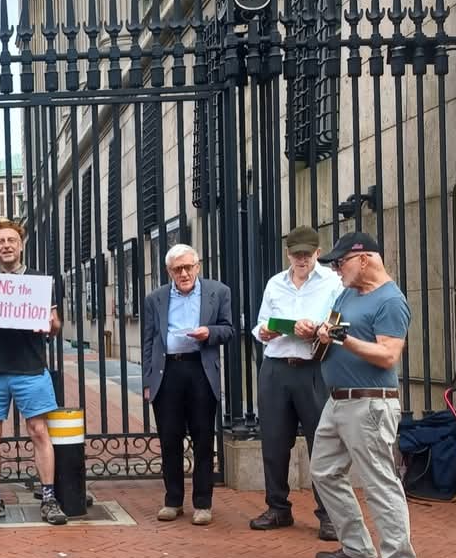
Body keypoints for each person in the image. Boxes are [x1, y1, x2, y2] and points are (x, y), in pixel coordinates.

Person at [311, 232, 417, 558]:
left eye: (341, 263)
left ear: (365, 259)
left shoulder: (390, 301)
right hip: (337, 401)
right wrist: (321, 333)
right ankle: (358, 550)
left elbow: (388, 356)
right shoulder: (347, 294)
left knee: (380, 484)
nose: (336, 269)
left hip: (371, 403)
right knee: (323, 471)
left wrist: (341, 338)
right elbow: (336, 331)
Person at [0, 219, 68, 526]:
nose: (6, 246)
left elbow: (56, 326)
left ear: (20, 245)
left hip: (30, 366)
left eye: (11, 240)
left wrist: (49, 323)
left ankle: (49, 497)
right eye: (0, 242)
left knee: (38, 431)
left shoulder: (39, 281)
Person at [250, 226, 343, 540]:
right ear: (287, 253)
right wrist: (264, 331)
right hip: (276, 367)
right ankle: (277, 507)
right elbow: (261, 322)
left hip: (314, 367)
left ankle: (329, 515)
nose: (301, 259)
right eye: (296, 253)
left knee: (322, 442)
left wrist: (317, 327)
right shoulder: (276, 283)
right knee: (274, 442)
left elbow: (340, 323)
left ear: (318, 252)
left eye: (307, 253)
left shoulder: (332, 282)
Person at [141, 243, 234, 526]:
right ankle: (172, 501)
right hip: (167, 371)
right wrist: (148, 380)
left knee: (203, 438)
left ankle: (203, 503)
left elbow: (229, 329)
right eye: (177, 269)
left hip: (200, 370)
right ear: (169, 271)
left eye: (188, 267)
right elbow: (148, 340)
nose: (183, 273)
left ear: (198, 266)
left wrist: (210, 332)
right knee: (169, 439)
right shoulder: (155, 298)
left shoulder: (218, 292)